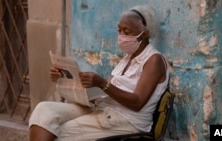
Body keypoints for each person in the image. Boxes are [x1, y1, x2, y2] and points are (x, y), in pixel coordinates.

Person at [29, 5, 169, 141]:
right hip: (103, 109)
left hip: (126, 121)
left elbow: (137, 102)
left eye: (127, 32)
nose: (121, 36)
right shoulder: (127, 58)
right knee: (44, 111)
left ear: (144, 34)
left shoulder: (153, 60)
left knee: (57, 133)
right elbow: (106, 92)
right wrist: (65, 78)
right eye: (119, 30)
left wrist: (102, 83)